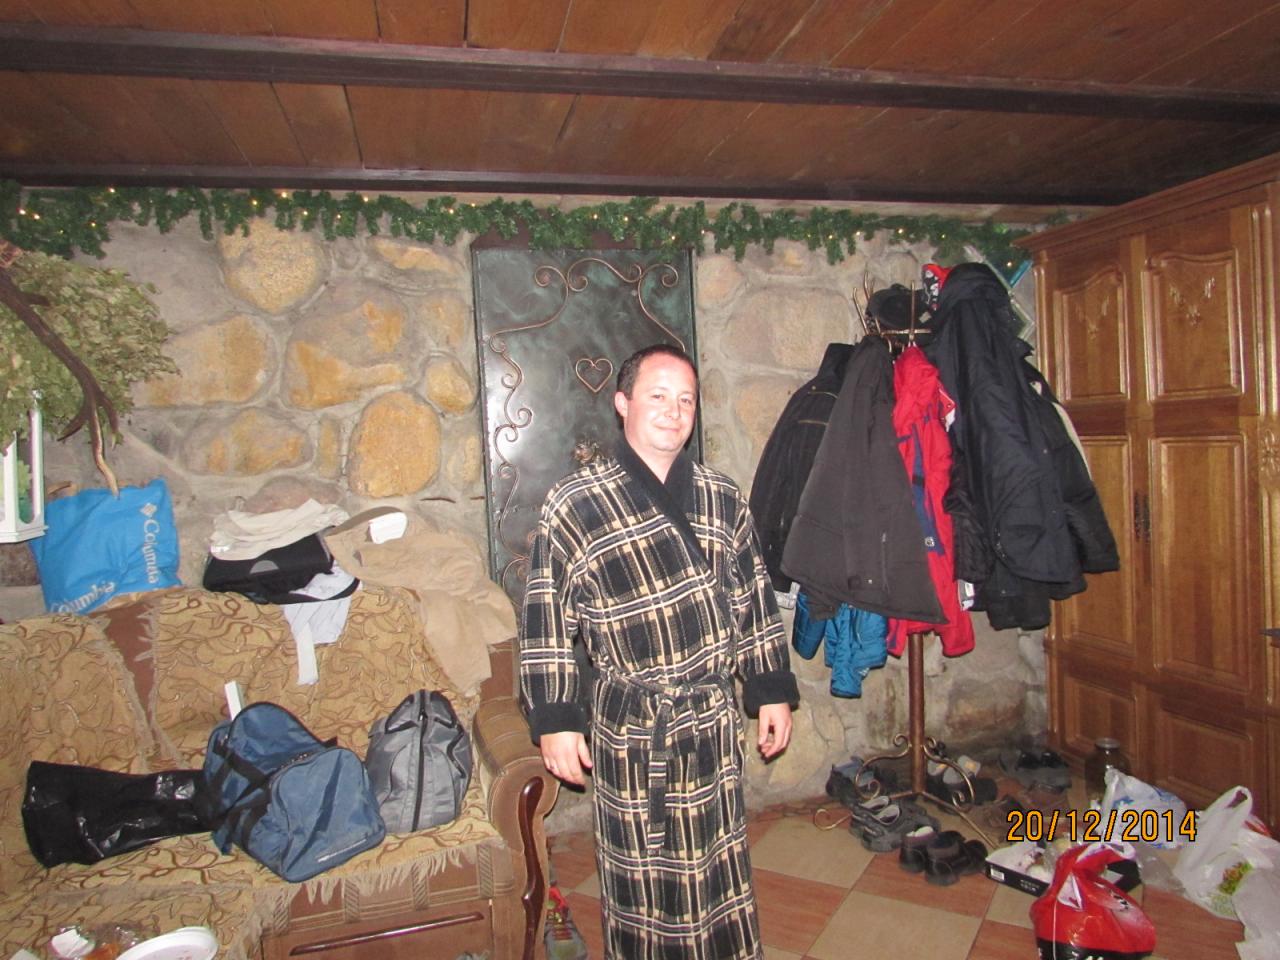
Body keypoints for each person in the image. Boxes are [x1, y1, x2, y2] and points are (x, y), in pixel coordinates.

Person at [519, 343, 798, 960]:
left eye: (686, 400)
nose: (674, 411)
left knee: (719, 868)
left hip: (710, 719)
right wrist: (556, 719)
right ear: (622, 404)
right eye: (658, 396)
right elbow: (545, 616)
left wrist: (770, 689)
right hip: (633, 725)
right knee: (643, 883)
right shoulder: (575, 502)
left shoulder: (721, 496)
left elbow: (753, 597)